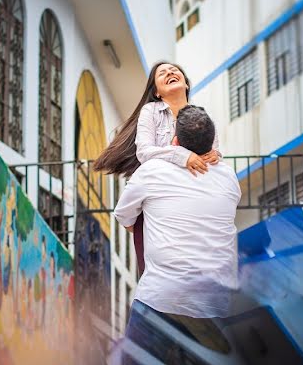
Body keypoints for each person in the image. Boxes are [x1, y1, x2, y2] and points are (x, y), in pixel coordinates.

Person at [112, 105, 241, 365]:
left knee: (138, 364)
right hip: (214, 294)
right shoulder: (229, 177)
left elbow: (124, 216)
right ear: (211, 143)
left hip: (162, 290)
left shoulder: (153, 170)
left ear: (175, 141)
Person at [93, 61, 221, 274]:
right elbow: (144, 151)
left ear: (186, 85)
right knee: (155, 274)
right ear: (157, 92)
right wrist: (182, 155)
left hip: (190, 204)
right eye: (162, 73)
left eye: (174, 70)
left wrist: (216, 155)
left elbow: (212, 155)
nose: (170, 72)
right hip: (155, 201)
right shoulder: (151, 111)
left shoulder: (201, 117)